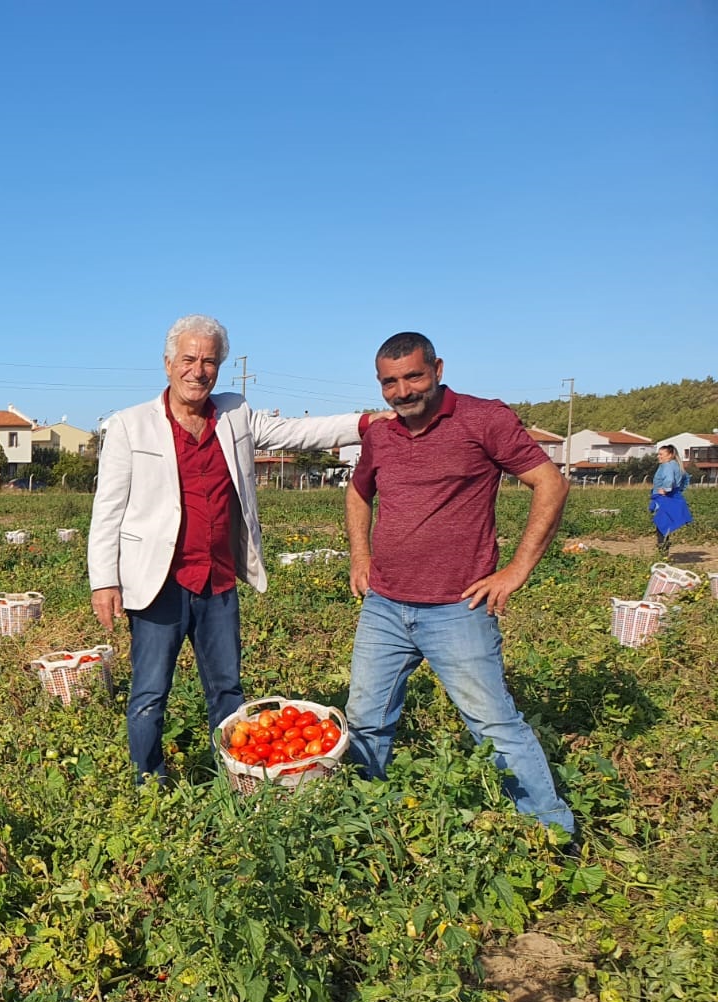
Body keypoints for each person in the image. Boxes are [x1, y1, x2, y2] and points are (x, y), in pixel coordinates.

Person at [89, 314, 381, 780]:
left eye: (209, 361)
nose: (198, 370)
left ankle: (237, 780)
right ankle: (148, 782)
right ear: (168, 363)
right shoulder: (130, 425)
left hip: (218, 578)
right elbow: (108, 509)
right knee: (149, 693)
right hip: (157, 581)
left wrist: (364, 423)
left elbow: (298, 432)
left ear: (219, 368)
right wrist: (104, 581)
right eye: (189, 359)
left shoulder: (234, 414)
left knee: (227, 689)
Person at [344, 331, 575, 835]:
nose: (402, 391)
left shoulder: (482, 418)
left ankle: (552, 831)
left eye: (413, 377)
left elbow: (550, 483)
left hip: (457, 608)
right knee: (364, 718)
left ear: (438, 369)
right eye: (389, 382)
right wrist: (360, 554)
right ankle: (364, 821)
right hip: (384, 605)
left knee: (493, 723)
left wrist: (516, 570)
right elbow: (359, 493)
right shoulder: (380, 435)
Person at [649, 444, 691, 556]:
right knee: (665, 525)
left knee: (661, 525)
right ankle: (664, 553)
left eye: (661, 454)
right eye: (658, 454)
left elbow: (669, 479)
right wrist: (678, 490)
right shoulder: (676, 465)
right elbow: (686, 478)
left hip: (665, 499)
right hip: (673, 497)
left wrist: (666, 489)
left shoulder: (667, 466)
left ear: (670, 455)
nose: (658, 456)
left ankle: (663, 554)